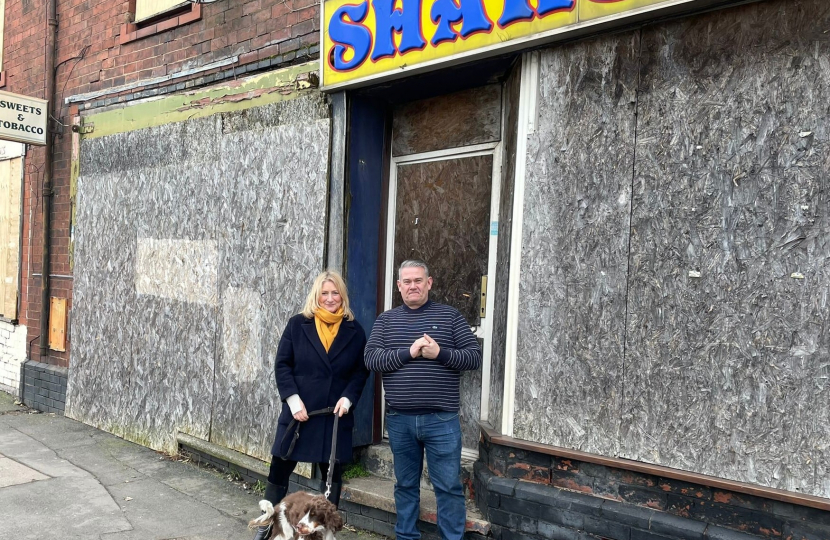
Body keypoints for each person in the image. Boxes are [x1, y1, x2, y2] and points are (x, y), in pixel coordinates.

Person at [365, 259, 482, 540]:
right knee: (405, 485)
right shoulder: (386, 320)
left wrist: (440, 353)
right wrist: (409, 352)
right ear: (399, 286)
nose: (413, 286)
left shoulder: (450, 317)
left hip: (441, 420)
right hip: (399, 419)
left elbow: (473, 357)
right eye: (407, 281)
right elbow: (371, 359)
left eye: (418, 280)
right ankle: (406, 536)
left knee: (448, 487)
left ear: (429, 283)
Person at [252, 270, 370, 540]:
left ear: (343, 295)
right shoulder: (297, 325)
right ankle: (266, 526)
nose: (330, 298)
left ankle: (326, 532)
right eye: (324, 293)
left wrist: (349, 397)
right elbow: (282, 365)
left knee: (332, 476)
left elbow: (360, 372)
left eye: (335, 292)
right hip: (299, 414)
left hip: (334, 416)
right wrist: (293, 400)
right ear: (316, 295)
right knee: (278, 470)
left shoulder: (355, 329)